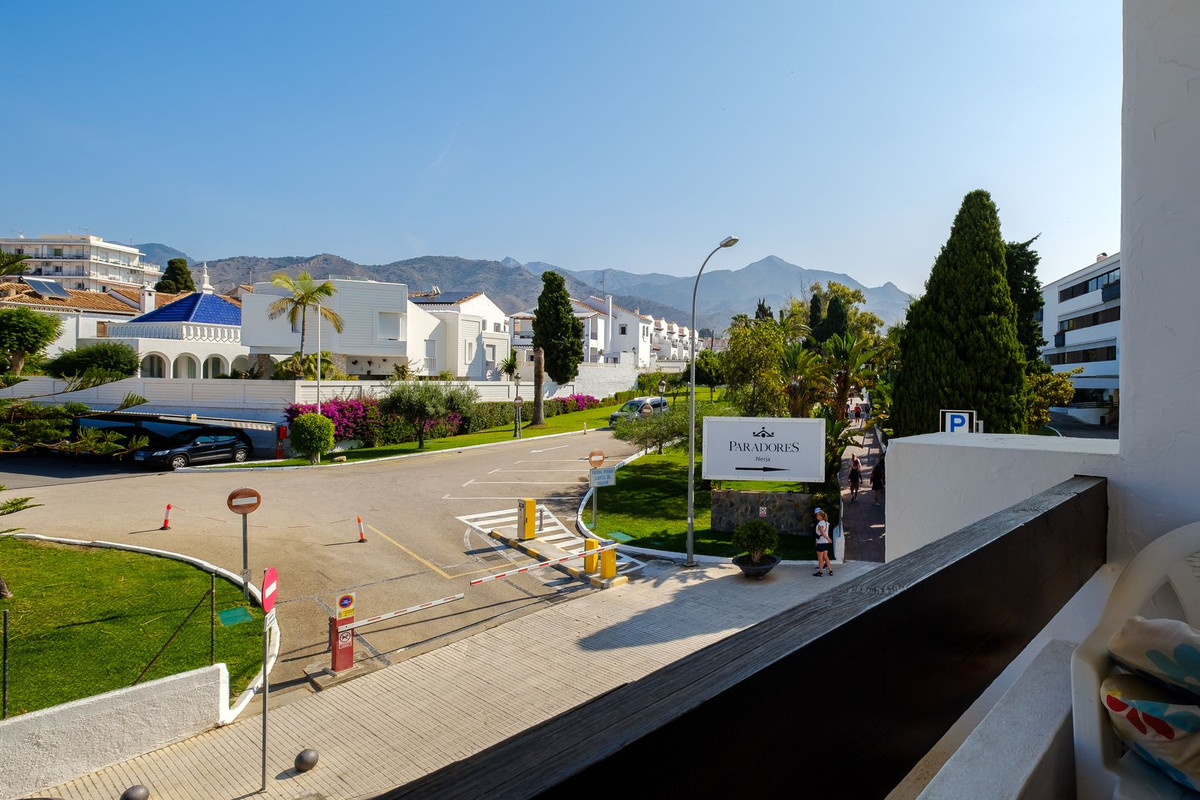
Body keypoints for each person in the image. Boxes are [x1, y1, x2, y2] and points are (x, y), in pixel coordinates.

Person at [814, 508, 833, 576]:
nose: (817, 516)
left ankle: (820, 572)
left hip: (821, 542)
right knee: (826, 557)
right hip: (825, 543)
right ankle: (830, 571)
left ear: (821, 516)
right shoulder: (826, 523)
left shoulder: (820, 524)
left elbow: (823, 533)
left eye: (818, 515)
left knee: (820, 559)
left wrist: (829, 539)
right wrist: (828, 540)